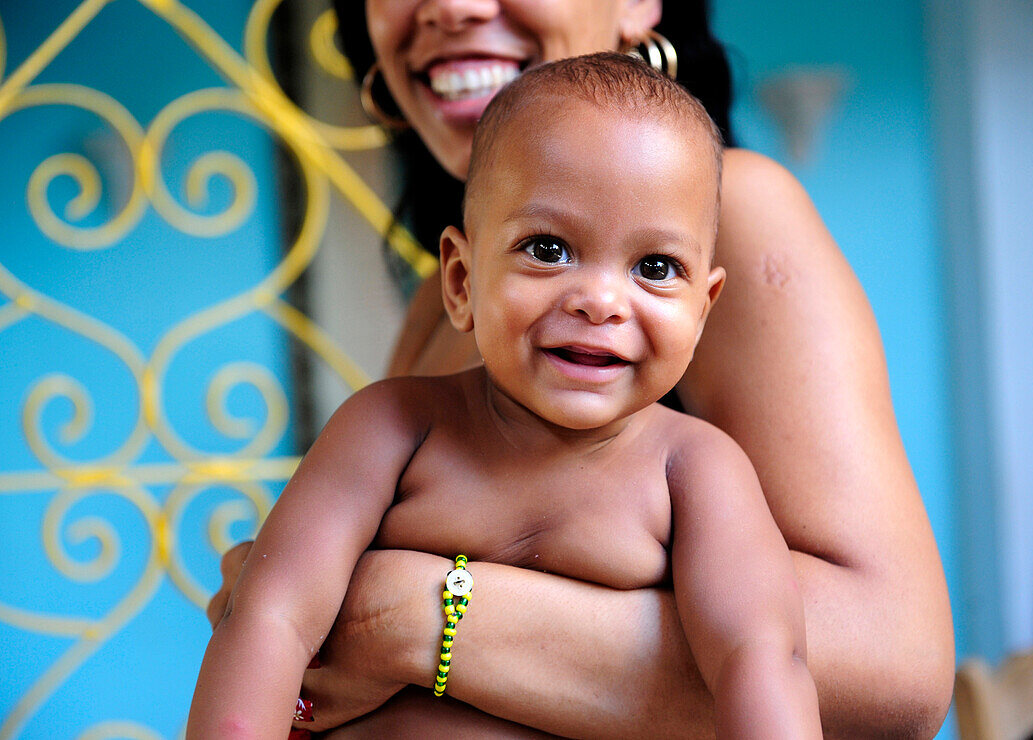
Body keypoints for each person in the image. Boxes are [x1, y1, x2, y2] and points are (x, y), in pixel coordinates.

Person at [209, 1, 956, 737]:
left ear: (705, 300)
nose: (452, 6)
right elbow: (278, 616)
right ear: (461, 277)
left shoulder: (741, 220)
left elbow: (886, 670)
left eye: (655, 266)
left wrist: (413, 613)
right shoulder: (411, 375)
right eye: (546, 249)